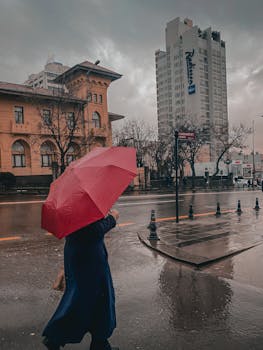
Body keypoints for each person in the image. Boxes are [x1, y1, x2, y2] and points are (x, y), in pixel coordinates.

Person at [42, 209, 120, 350]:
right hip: (90, 260)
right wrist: (112, 219)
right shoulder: (84, 207)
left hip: (77, 254)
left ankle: (98, 342)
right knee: (95, 300)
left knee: (80, 299)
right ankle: (56, 336)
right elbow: (93, 231)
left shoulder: (70, 206)